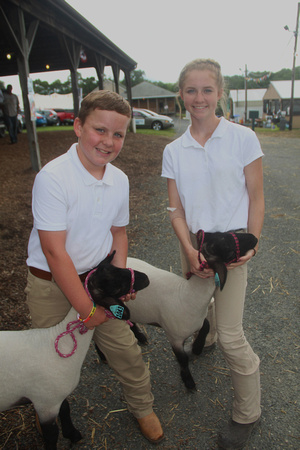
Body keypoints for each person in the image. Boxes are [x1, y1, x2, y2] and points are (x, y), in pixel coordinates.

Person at [25, 90, 164, 444]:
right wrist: (87, 312)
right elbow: (55, 254)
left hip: (98, 280)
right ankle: (55, 416)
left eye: (118, 134)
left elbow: (118, 232)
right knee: (51, 360)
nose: (108, 141)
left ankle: (143, 406)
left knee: (125, 347)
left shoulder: (119, 179)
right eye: (99, 130)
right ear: (77, 126)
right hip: (51, 286)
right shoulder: (53, 178)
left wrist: (117, 279)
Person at [162, 59, 264, 449]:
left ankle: (247, 413)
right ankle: (207, 330)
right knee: (195, 304)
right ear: (181, 95)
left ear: (220, 92)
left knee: (233, 336)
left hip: (231, 246)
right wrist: (188, 251)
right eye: (191, 90)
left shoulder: (243, 138)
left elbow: (256, 196)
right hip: (194, 243)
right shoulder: (174, 149)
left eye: (207, 90)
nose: (199, 98)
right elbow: (176, 209)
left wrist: (251, 244)